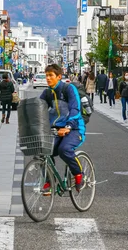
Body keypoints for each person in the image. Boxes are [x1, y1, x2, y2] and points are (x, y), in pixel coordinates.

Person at [40, 64, 86, 192]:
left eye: (51, 75)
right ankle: (49, 181)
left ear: (59, 76)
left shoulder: (68, 89)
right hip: (56, 129)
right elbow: (38, 109)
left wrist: (68, 126)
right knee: (43, 152)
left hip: (75, 128)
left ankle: (79, 175)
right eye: (46, 76)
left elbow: (75, 109)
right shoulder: (47, 92)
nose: (48, 78)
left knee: (64, 149)